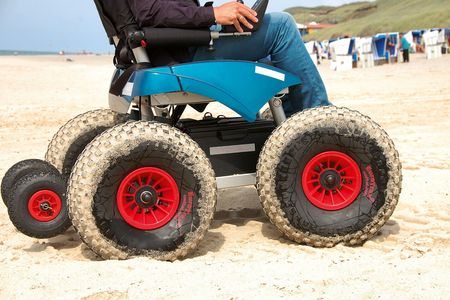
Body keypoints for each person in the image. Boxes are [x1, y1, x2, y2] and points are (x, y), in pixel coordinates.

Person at [128, 0, 330, 117]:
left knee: (272, 56)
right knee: (281, 26)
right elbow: (149, 11)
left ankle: (293, 122)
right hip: (182, 50)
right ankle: (321, 120)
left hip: (177, 44)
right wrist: (212, 14)